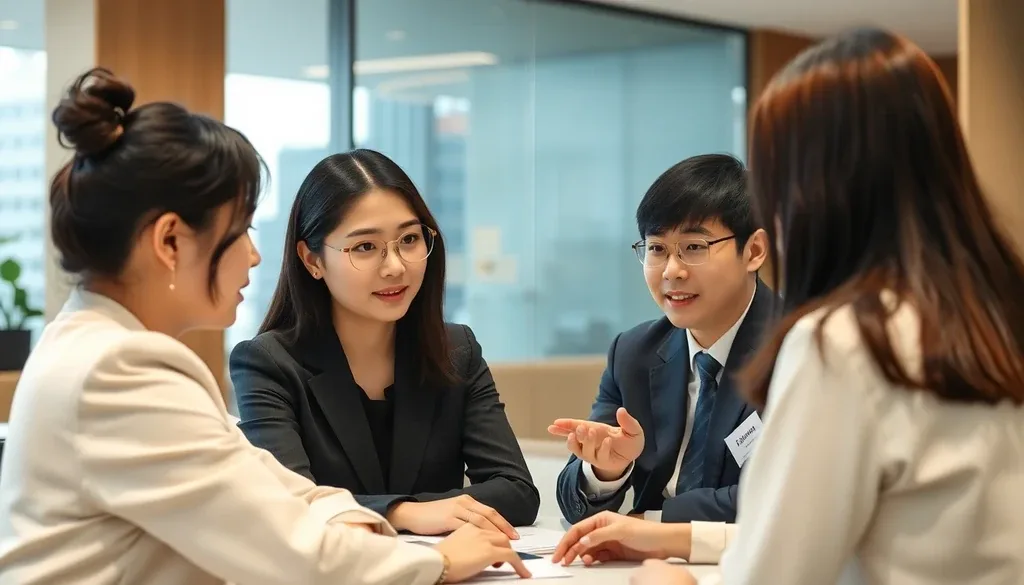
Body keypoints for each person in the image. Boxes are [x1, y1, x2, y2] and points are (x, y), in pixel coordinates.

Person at [0, 68, 529, 585]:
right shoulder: (119, 369)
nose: (254, 256)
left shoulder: (95, 347)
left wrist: (365, 517)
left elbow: (277, 491)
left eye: (409, 240)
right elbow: (288, 550)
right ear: (170, 242)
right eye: (240, 231)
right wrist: (437, 563)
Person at [569, 28, 1024, 585]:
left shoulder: (845, 341)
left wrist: (668, 577)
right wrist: (664, 531)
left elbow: (778, 570)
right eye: (658, 249)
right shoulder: (986, 314)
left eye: (781, 171)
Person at [229, 149, 540, 537]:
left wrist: (400, 510)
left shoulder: (456, 349)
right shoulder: (268, 363)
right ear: (312, 260)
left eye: (409, 239)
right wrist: (398, 513)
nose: (395, 266)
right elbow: (287, 504)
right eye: (365, 247)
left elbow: (517, 492)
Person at [549, 154, 772, 542]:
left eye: (694, 246)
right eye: (656, 249)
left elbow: (776, 495)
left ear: (753, 251)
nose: (671, 271)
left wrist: (652, 524)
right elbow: (574, 501)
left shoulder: (799, 346)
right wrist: (606, 471)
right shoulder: (634, 352)